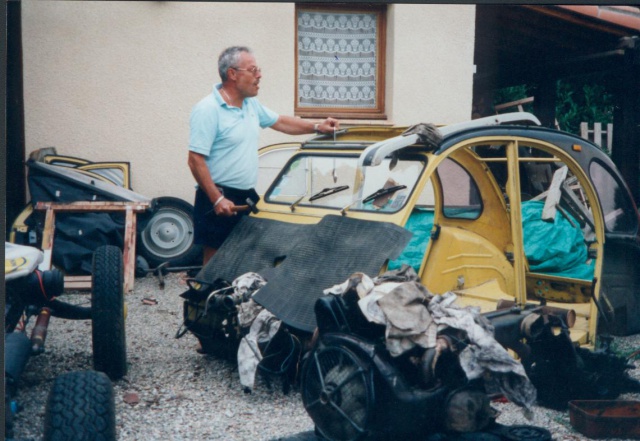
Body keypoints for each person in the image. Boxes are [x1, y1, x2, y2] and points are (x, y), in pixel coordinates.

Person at [188, 46, 339, 266]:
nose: (259, 76)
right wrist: (217, 198)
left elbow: (280, 122)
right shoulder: (208, 109)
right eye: (253, 70)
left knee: (248, 259)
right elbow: (195, 159)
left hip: (245, 194)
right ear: (232, 74)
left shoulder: (250, 105)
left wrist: (317, 126)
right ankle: (206, 299)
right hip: (218, 198)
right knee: (215, 263)